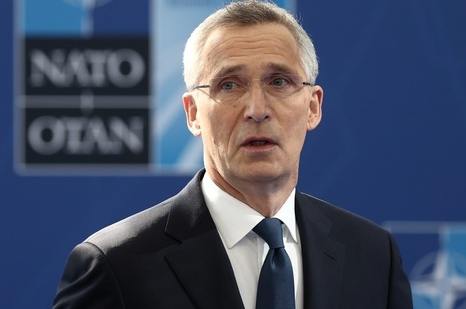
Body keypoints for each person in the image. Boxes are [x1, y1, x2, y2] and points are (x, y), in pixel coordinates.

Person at [52, 1, 413, 308]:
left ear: (313, 107)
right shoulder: (114, 264)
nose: (257, 109)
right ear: (193, 113)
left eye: (279, 81)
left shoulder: (374, 256)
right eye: (229, 85)